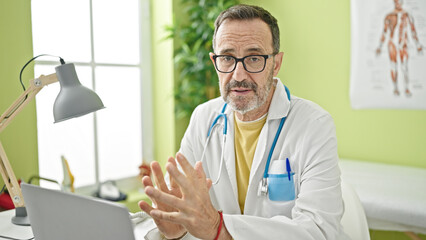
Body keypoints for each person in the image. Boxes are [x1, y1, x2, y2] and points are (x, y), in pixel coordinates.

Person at [139, 4, 348, 240]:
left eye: (254, 58)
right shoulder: (203, 117)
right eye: (227, 58)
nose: (238, 75)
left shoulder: (313, 124)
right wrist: (177, 230)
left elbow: (320, 231)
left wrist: (219, 229)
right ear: (214, 61)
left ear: (276, 64)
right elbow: (181, 210)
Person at [376, 0, 423, 97]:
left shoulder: (407, 15)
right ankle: (395, 88)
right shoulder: (389, 16)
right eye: (397, 2)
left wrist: (417, 45)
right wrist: (380, 46)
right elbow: (384, 32)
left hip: (403, 44)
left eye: (400, 1)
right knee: (394, 66)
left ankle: (406, 88)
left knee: (404, 67)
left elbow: (413, 31)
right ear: (394, 2)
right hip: (392, 44)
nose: (399, 3)